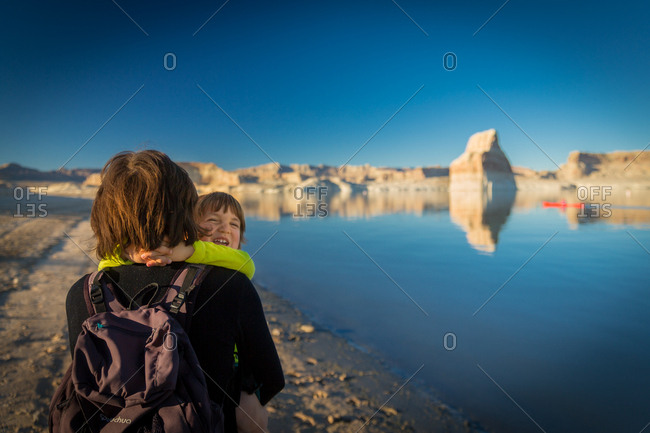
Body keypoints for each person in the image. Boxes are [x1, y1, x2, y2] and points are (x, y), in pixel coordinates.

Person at [65, 150, 284, 432]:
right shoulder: (230, 286)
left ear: (104, 215)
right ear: (184, 212)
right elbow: (272, 379)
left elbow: (86, 375)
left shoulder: (81, 292)